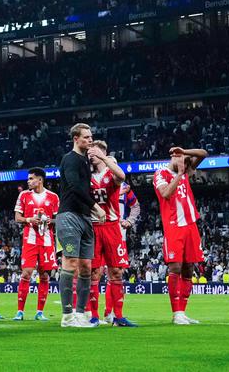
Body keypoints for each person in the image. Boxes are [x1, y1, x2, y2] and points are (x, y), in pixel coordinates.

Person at [153, 144, 209, 325]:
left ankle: (183, 312)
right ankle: (176, 312)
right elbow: (166, 193)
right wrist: (179, 174)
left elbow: (203, 154)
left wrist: (185, 152)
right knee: (175, 267)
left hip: (190, 225)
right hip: (173, 225)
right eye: (179, 159)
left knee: (189, 269)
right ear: (172, 158)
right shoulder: (161, 174)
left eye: (184, 159)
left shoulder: (186, 169)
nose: (184, 162)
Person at [56, 124, 103, 329]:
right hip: (68, 216)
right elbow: (74, 187)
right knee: (71, 262)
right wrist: (96, 208)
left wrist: (92, 210)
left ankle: (81, 314)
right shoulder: (70, 159)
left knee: (86, 267)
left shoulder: (85, 161)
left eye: (91, 137)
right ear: (76, 138)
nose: (90, 140)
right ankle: (67, 316)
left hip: (84, 217)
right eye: (86, 137)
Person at [87, 139, 136, 327]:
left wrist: (106, 160)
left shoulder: (111, 172)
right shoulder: (86, 174)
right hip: (93, 227)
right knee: (94, 273)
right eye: (89, 151)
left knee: (116, 271)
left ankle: (119, 316)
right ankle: (93, 316)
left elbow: (122, 177)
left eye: (94, 151)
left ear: (102, 152)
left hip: (112, 226)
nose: (91, 154)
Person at [14, 167, 58, 321]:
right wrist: (29, 219)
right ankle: (20, 311)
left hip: (46, 240)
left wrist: (48, 220)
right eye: (28, 179)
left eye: (31, 178)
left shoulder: (53, 197)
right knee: (26, 273)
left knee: (44, 275)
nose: (28, 181)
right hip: (30, 239)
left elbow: (58, 219)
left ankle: (40, 312)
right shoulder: (24, 195)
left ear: (40, 180)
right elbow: (17, 217)